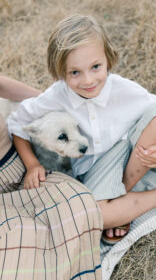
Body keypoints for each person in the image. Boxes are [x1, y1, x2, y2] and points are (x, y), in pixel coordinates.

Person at [7, 14, 156, 246]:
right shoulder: (56, 96)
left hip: (129, 153)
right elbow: (18, 123)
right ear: (60, 72)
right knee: (98, 215)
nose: (88, 80)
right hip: (94, 169)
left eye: (95, 67)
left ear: (107, 60)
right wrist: (32, 165)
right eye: (74, 72)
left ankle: (121, 198)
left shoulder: (121, 88)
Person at [0, 75, 102, 279]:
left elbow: (5, 86)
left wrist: (50, 107)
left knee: (80, 202)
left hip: (18, 166)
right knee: (20, 239)